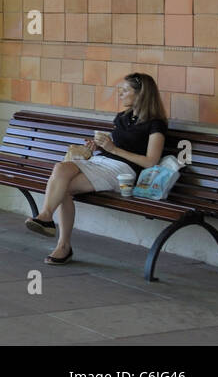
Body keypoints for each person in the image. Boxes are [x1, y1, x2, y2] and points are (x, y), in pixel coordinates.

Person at [25, 72, 167, 265]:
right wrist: (99, 146)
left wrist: (113, 149)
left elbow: (151, 162)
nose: (121, 94)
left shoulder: (155, 124)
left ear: (141, 94)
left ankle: (62, 245)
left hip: (123, 172)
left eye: (125, 90)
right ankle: (46, 217)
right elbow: (114, 148)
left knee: (63, 187)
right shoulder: (122, 118)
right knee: (61, 170)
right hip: (103, 162)